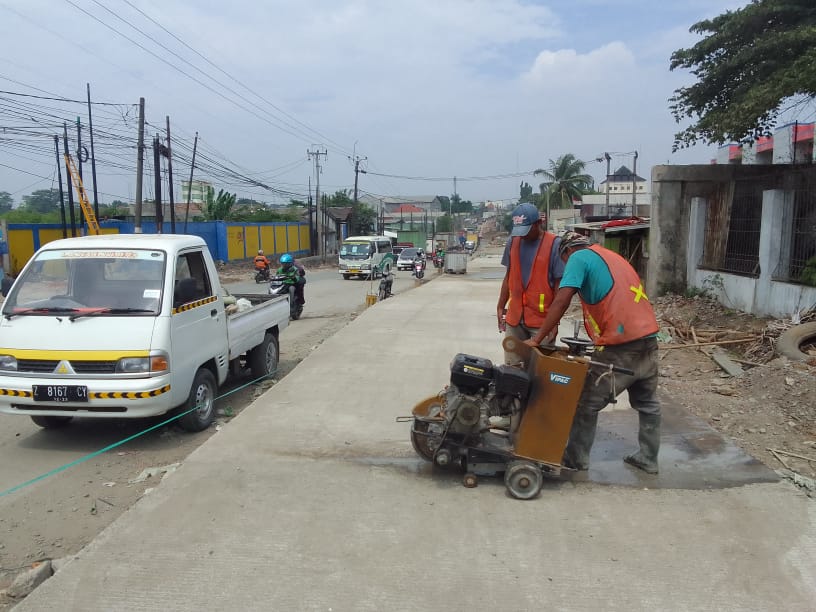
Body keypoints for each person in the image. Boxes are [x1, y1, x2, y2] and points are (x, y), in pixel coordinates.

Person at [523, 231, 661, 474]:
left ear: (566, 252)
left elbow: (562, 299)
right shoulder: (612, 256)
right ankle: (649, 458)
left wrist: (537, 338)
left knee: (586, 402)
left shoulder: (578, 258)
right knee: (648, 404)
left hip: (620, 345)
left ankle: (576, 459)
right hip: (648, 338)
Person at [496, 203, 564, 365]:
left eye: (526, 231)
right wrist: (500, 306)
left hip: (542, 321)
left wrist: (554, 323)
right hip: (515, 319)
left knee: (539, 373)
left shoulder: (554, 245)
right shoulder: (513, 243)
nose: (522, 236)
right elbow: (508, 276)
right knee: (512, 371)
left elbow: (559, 289)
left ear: (538, 224)